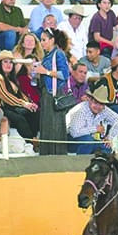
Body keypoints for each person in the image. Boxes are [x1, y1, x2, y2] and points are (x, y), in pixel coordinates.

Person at [65, 82, 118, 154]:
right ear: (89, 99)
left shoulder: (104, 110)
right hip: (70, 141)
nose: (98, 106)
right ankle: (81, 162)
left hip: (91, 140)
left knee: (107, 148)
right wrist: (95, 129)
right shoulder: (81, 109)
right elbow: (74, 132)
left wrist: (110, 137)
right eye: (95, 102)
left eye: (101, 104)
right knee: (87, 140)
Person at [36, 27, 71, 155]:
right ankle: (48, 153)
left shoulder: (58, 54)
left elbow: (65, 74)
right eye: (41, 40)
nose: (42, 43)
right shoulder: (48, 55)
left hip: (53, 94)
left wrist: (45, 72)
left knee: (54, 125)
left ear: (52, 40)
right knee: (47, 124)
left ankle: (55, 154)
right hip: (47, 92)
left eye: (44, 40)